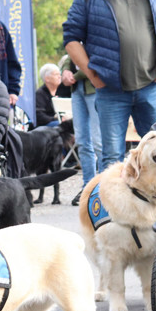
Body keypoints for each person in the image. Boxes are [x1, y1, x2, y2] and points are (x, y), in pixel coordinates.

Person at [64, 0, 156, 169]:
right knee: (112, 159)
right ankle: (113, 198)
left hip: (152, 86)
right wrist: (92, 75)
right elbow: (71, 37)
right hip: (111, 91)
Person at [61, 49, 101, 206]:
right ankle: (88, 186)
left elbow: (96, 62)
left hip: (95, 88)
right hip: (77, 90)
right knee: (83, 141)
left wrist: (73, 76)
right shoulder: (76, 34)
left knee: (99, 142)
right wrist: (65, 70)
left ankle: (102, 187)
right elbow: (71, 55)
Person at [35, 63, 62, 128]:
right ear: (47, 78)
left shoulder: (62, 91)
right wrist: (57, 119)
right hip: (45, 127)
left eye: (60, 74)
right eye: (56, 74)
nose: (59, 77)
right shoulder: (40, 94)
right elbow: (40, 116)